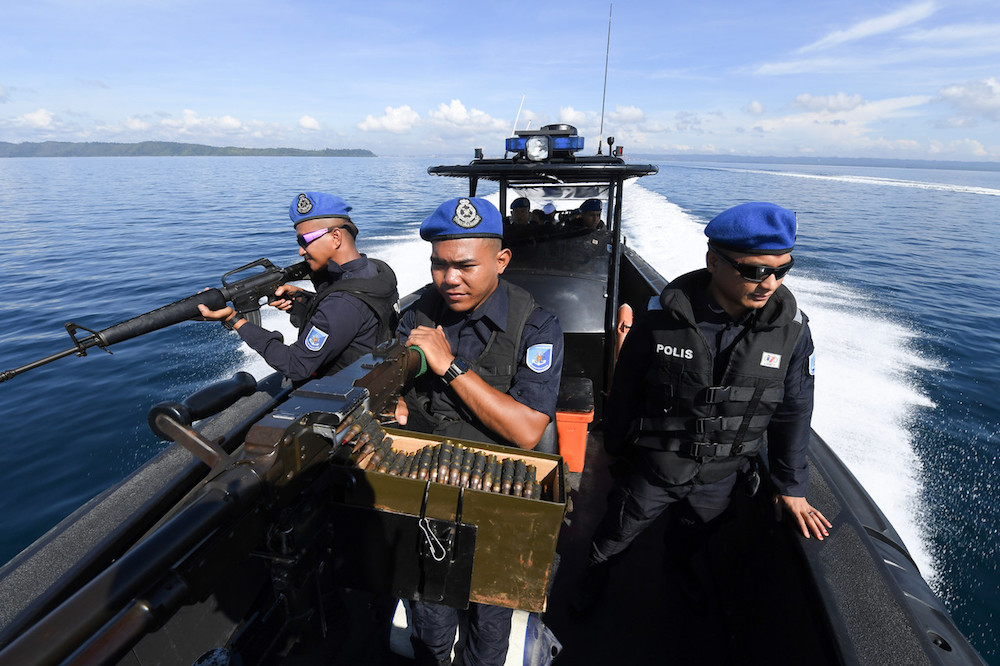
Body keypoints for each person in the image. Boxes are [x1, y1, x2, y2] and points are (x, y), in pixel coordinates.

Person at [575, 201, 831, 611]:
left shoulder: (794, 334)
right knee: (614, 537)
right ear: (713, 262)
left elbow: (795, 410)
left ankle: (678, 587)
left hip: (722, 476)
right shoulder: (661, 319)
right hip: (656, 467)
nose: (769, 284)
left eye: (782, 270)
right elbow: (626, 389)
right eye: (754, 271)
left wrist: (791, 488)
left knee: (692, 544)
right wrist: (617, 452)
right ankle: (592, 583)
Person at [395, 196, 564, 666]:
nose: (450, 279)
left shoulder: (536, 326)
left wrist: (449, 365)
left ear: (501, 261)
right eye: (439, 265)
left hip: (499, 490)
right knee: (430, 611)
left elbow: (527, 430)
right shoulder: (416, 315)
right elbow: (395, 383)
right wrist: (395, 401)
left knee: (490, 621)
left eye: (465, 266)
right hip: (430, 485)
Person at [197, 192, 399, 382]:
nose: (301, 251)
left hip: (343, 392)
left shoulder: (342, 303)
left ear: (336, 237)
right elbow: (350, 319)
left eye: (305, 241)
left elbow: (296, 365)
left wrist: (235, 320)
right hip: (374, 374)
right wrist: (302, 300)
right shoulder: (377, 270)